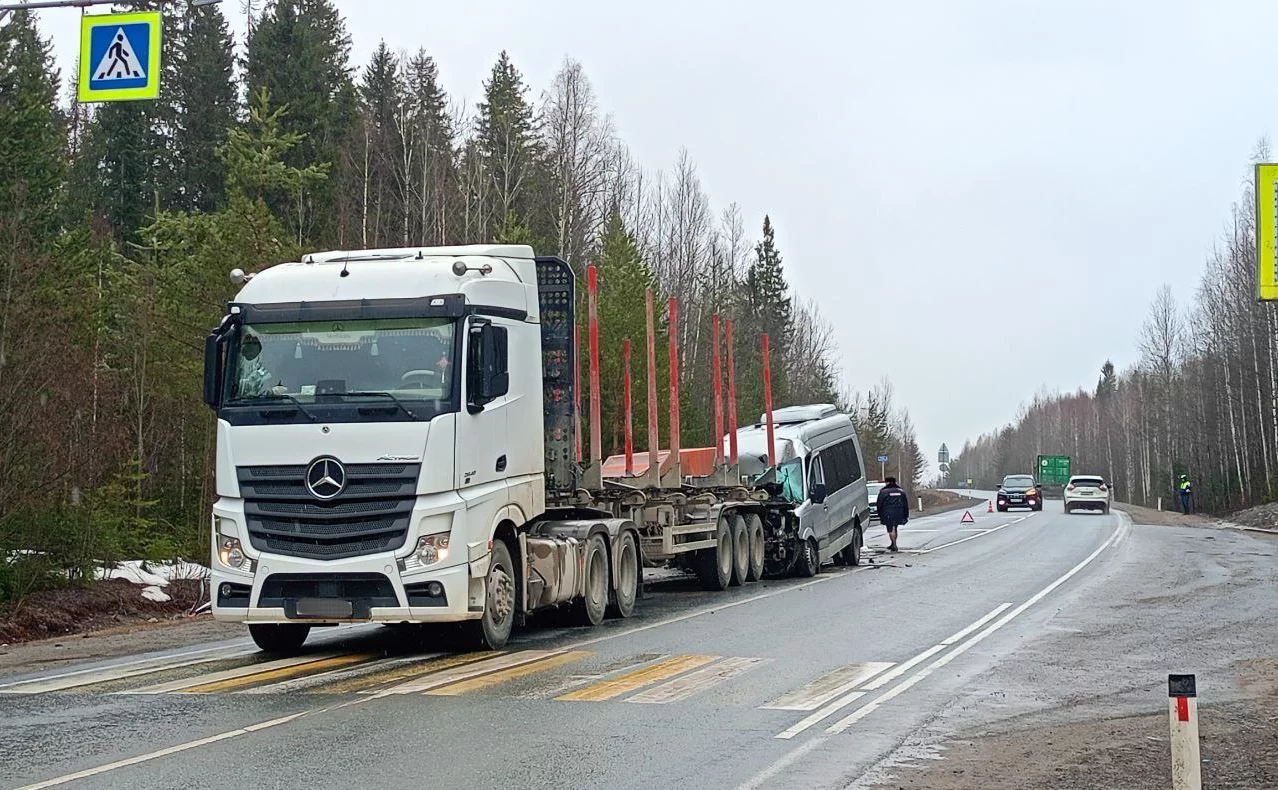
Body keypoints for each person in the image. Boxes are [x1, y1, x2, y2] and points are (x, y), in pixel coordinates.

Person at [876, 476, 910, 552]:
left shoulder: (883, 492)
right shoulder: (901, 491)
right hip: (899, 512)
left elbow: (879, 504)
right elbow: (905, 504)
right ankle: (893, 543)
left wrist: (880, 514)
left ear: (887, 482)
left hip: (888, 512)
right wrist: (906, 514)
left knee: (890, 529)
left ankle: (894, 545)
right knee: (895, 528)